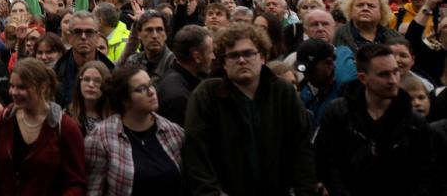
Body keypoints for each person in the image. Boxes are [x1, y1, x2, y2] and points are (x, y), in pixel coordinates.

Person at [183, 23, 316, 195]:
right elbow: (196, 153)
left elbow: (302, 148)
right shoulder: (207, 95)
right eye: (233, 55)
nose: (241, 60)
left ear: (262, 57)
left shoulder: (283, 92)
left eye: (248, 53)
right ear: (224, 63)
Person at [316, 43, 434, 195]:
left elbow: (425, 171)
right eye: (384, 74)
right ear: (363, 78)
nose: (393, 80)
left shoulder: (414, 122)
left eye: (395, 72)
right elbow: (326, 163)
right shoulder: (338, 113)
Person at [0, 58, 86, 196]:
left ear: (43, 87)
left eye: (21, 87)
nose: (13, 92)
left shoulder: (65, 127)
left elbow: (76, 183)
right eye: (11, 86)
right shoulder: (2, 121)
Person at [85, 66, 185, 196]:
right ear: (125, 100)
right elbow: (94, 189)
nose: (151, 92)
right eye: (142, 89)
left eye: (151, 85)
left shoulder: (173, 132)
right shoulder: (101, 137)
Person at [157, 25, 214, 127]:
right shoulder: (178, 97)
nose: (213, 57)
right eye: (210, 52)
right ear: (197, 57)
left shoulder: (187, 80)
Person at [54, 12, 114, 106]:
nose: (83, 37)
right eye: (77, 32)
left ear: (97, 37)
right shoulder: (55, 73)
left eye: (89, 32)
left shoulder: (111, 72)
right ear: (70, 37)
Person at [334, 0, 398, 50]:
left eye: (371, 6)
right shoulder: (338, 36)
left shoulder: (395, 37)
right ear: (350, 10)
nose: (365, 8)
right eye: (360, 5)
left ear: (381, 11)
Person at [121, 11, 174, 85]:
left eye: (159, 30)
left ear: (166, 35)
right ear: (139, 34)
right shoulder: (133, 62)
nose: (155, 36)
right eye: (149, 30)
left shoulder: (174, 64)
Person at [67, 60, 112, 136]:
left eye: (97, 81)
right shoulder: (66, 117)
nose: (91, 85)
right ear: (79, 83)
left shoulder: (116, 117)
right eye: (86, 79)